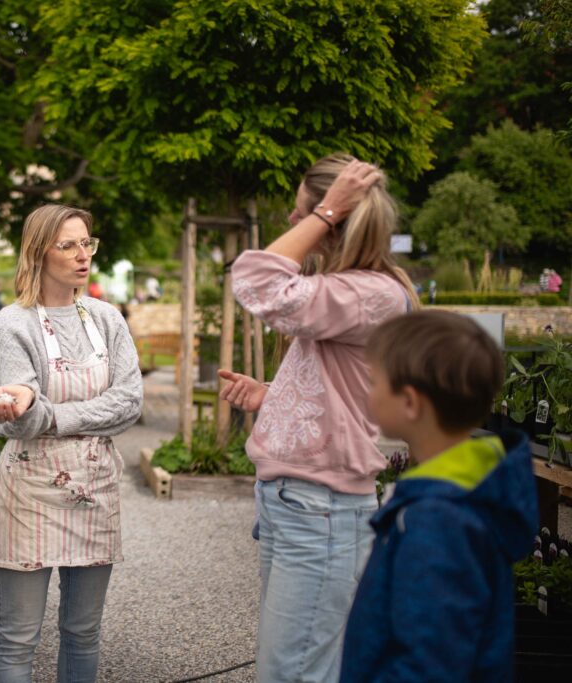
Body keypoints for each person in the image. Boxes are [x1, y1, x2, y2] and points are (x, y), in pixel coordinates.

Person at [219, 154, 419, 683]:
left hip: (321, 509)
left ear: (335, 220)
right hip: (298, 503)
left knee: (292, 672)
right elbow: (345, 385)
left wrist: (325, 209)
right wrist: (274, 397)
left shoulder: (368, 293)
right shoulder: (352, 289)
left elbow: (255, 279)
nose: (294, 221)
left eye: (301, 212)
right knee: (297, 666)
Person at [0, 203, 142, 682]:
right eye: (68, 244)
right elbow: (18, 421)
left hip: (95, 490)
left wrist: (48, 415)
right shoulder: (12, 324)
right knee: (16, 639)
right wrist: (25, 410)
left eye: (87, 243)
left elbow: (130, 402)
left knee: (83, 632)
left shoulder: (107, 318)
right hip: (29, 493)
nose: (83, 255)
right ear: (39, 252)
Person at [340, 311, 536, 682]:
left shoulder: (438, 518)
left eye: (374, 381)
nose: (369, 392)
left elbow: (430, 661)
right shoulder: (459, 495)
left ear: (410, 402)